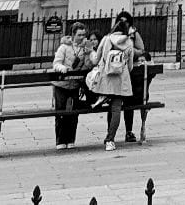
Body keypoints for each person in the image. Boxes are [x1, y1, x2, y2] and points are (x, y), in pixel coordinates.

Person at [87, 16, 134, 151]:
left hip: (106, 79)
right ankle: (110, 140)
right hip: (120, 80)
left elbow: (95, 60)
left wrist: (91, 51)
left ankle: (101, 98)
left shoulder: (106, 39)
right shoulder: (129, 42)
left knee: (111, 107)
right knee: (116, 109)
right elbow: (130, 66)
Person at [51, 20, 91, 149]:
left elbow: (87, 65)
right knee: (61, 112)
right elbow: (56, 63)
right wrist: (62, 68)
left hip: (74, 84)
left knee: (74, 113)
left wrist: (88, 52)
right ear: (73, 35)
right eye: (79, 35)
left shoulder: (85, 48)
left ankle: (70, 139)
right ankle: (60, 141)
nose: (82, 37)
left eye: (83, 35)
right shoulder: (64, 47)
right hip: (61, 84)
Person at [116, 10, 153, 144]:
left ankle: (131, 130)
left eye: (126, 21)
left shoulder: (133, 34)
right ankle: (120, 131)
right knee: (122, 101)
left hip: (133, 72)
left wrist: (131, 51)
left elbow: (142, 50)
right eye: (121, 21)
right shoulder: (114, 35)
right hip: (119, 71)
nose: (124, 24)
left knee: (132, 100)